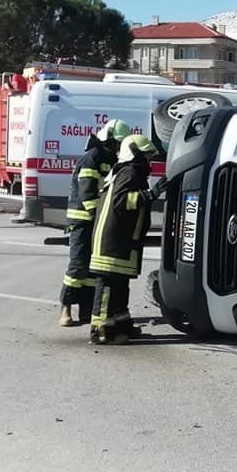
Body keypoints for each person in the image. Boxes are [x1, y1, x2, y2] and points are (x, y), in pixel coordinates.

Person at [87, 133, 167, 345]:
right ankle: (100, 329)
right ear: (135, 154)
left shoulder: (127, 172)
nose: (149, 161)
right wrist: (150, 195)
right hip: (112, 244)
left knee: (120, 287)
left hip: (120, 242)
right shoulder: (129, 172)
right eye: (147, 156)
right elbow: (121, 201)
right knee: (108, 288)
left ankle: (121, 326)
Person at [57, 120, 131, 326]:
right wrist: (97, 215)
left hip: (97, 220)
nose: (119, 147)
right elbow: (87, 192)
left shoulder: (111, 159)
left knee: (92, 268)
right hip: (82, 220)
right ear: (109, 139)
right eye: (118, 142)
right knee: (78, 266)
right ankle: (65, 309)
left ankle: (86, 310)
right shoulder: (91, 159)